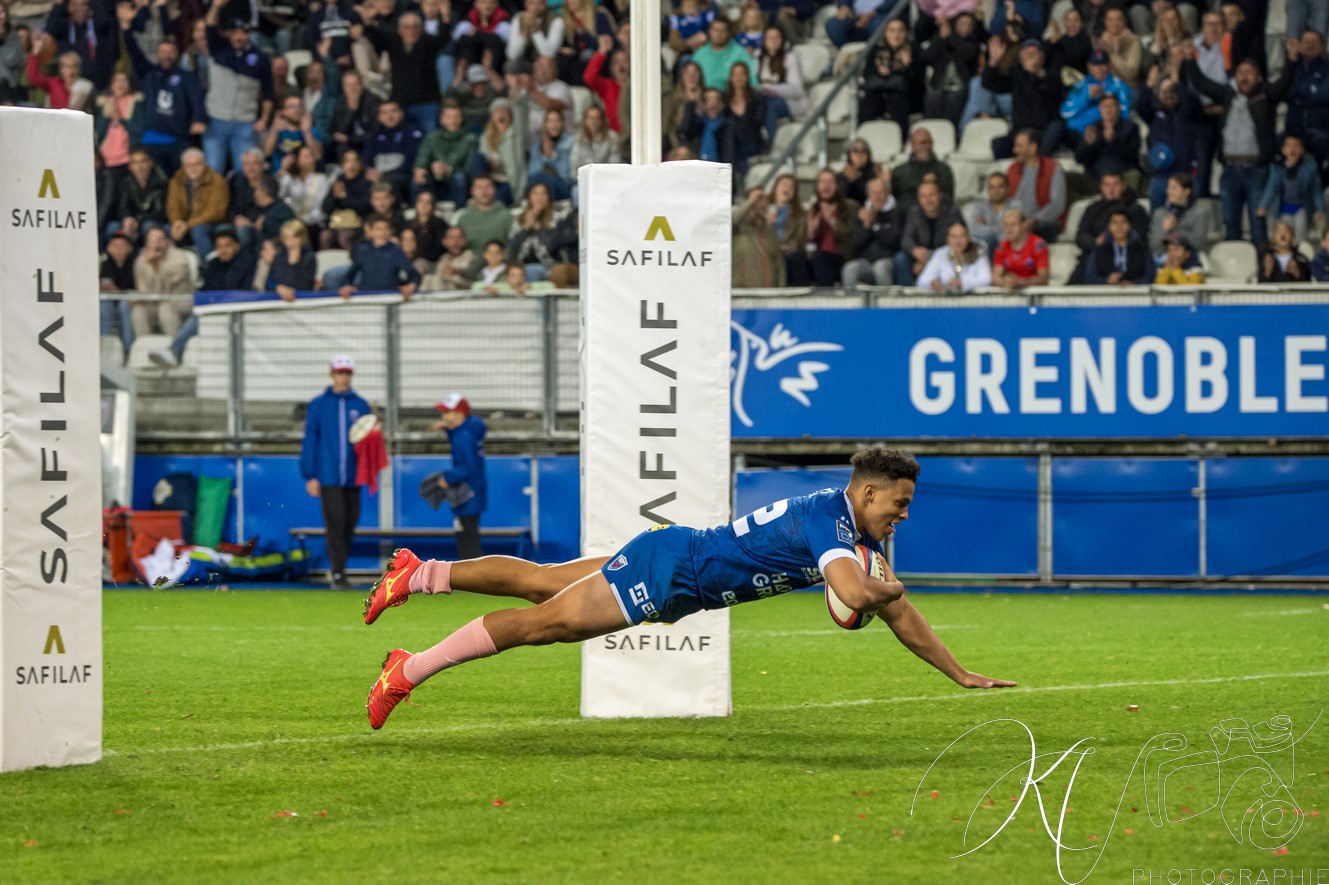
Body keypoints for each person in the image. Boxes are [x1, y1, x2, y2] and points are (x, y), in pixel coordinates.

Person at [360, 447, 1018, 729]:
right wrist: (881, 590)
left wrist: (956, 671)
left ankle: (416, 573)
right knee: (543, 624)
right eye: (897, 504)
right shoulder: (833, 521)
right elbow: (852, 587)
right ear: (867, 491)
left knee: (539, 585)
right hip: (670, 572)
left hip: (677, 565)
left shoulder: (852, 531)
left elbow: (889, 606)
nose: (902, 515)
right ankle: (405, 671)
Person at [302, 355, 374, 589]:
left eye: (347, 373)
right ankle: (337, 573)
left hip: (353, 476)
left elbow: (367, 441)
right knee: (335, 523)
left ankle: (339, 570)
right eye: (340, 373)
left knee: (350, 524)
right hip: (329, 476)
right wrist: (311, 474)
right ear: (332, 374)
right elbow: (310, 440)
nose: (344, 377)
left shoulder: (361, 405)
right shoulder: (319, 404)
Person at [202, 3, 275, 175]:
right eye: (234, 32)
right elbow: (209, 27)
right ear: (229, 33)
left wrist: (263, 119)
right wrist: (215, 7)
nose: (238, 37)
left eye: (243, 33)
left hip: (245, 122)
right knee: (214, 169)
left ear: (249, 34)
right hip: (216, 119)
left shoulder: (260, 58)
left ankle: (242, 202)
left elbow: (268, 92)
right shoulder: (219, 48)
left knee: (245, 171)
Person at [429, 393, 488, 560]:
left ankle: (473, 580)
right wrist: (447, 427)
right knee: (471, 535)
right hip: (474, 493)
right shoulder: (468, 430)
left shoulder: (462, 436)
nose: (444, 417)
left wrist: (447, 478)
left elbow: (466, 467)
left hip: (466, 495)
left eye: (448, 413)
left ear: (460, 414)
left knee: (467, 540)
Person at [1257, 133, 1326, 246]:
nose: (1292, 149)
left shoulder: (1309, 168)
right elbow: (1271, 188)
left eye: (1296, 145)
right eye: (1289, 145)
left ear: (1302, 150)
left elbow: (1315, 190)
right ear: (1283, 149)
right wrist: (1263, 206)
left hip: (1301, 207)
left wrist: (1319, 208)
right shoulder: (1277, 167)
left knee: (1301, 235)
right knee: (1285, 233)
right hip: (1284, 208)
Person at [131, 227, 195, 340]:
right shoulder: (141, 261)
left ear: (167, 241)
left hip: (180, 300)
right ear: (147, 243)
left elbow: (166, 287)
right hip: (153, 303)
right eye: (153, 240)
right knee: (138, 311)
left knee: (165, 309)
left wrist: (155, 265)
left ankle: (174, 350)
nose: (157, 244)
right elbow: (143, 290)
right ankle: (144, 348)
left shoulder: (179, 257)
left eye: (160, 239)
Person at [896, 180, 963, 287]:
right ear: (919, 198)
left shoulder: (952, 213)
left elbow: (960, 240)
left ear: (939, 196)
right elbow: (906, 239)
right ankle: (907, 295)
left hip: (946, 256)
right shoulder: (914, 212)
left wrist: (928, 261)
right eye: (924, 196)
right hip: (921, 256)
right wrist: (914, 250)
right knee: (901, 258)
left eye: (931, 195)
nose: (928, 200)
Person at [339, 213, 421, 299]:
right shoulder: (363, 251)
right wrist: (347, 286)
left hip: (389, 300)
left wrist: (411, 286)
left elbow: (415, 275)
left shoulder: (396, 251)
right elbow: (349, 276)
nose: (383, 233)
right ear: (370, 231)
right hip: (366, 300)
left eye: (386, 229)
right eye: (378, 229)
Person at [1006, 129, 1067, 243]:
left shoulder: (1053, 168)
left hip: (1043, 222)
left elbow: (1057, 205)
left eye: (1019, 146)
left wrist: (1034, 220)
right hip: (1016, 221)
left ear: (1033, 147)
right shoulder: (1012, 169)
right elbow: (1007, 200)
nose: (1015, 150)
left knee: (1043, 227)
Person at [841, 176, 902, 288]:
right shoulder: (862, 214)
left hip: (889, 261)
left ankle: (885, 304)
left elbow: (894, 241)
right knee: (849, 269)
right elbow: (855, 244)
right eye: (874, 193)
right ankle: (851, 304)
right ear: (869, 195)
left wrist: (874, 225)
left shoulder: (897, 213)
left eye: (881, 193)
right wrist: (866, 226)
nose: (877, 197)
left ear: (888, 193)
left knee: (880, 268)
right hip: (866, 262)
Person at [414, 100, 476, 205]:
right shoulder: (432, 137)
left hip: (457, 175)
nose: (453, 120)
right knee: (418, 179)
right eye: (449, 117)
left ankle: (459, 213)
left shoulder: (470, 139)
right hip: (434, 175)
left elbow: (471, 166)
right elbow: (422, 157)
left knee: (459, 178)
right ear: (442, 119)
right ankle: (416, 215)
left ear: (461, 118)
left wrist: (449, 169)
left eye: (456, 116)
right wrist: (421, 168)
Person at [891, 126, 955, 216]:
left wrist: (934, 186)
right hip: (905, 218)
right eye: (923, 143)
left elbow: (948, 199)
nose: (927, 146)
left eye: (930, 142)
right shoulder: (899, 171)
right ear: (912, 145)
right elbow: (895, 199)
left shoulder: (943, 169)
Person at [914, 221, 991, 292]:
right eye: (954, 236)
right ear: (948, 239)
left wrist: (962, 283)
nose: (958, 241)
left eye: (962, 236)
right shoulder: (941, 254)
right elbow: (922, 281)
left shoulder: (979, 253)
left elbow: (986, 279)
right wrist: (932, 283)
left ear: (968, 238)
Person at [1085, 207, 1153, 285]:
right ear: (1109, 226)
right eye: (1115, 222)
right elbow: (1089, 277)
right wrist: (1106, 281)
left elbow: (1150, 276)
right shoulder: (1099, 250)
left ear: (1129, 225)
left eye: (1123, 222)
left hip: (1135, 294)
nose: (1119, 226)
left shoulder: (1142, 249)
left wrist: (1134, 283)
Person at [732, 186, 785, 288]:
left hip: (769, 293)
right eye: (758, 199)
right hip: (743, 295)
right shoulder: (739, 227)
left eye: (764, 199)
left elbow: (779, 265)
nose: (761, 203)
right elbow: (733, 220)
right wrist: (751, 202)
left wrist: (780, 290)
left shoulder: (770, 231)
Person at [257, 218, 319, 299]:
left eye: (294, 237)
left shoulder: (309, 257)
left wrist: (294, 264)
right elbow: (269, 282)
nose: (291, 241)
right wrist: (278, 288)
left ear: (301, 237)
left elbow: (305, 285)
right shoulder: (279, 256)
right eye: (287, 237)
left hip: (301, 300)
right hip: (276, 299)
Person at [991, 207, 1050, 289]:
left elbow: (1043, 278)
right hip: (1011, 294)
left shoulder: (1038, 245)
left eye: (1013, 224)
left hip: (1036, 295)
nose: (1009, 229)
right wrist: (1005, 283)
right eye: (1006, 225)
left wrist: (1019, 282)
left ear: (1023, 225)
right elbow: (995, 277)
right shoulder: (1001, 246)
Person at [100, 231, 137, 359]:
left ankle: (128, 349)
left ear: (129, 248)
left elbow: (134, 290)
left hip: (130, 303)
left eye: (122, 246)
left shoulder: (135, 263)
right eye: (114, 246)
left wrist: (116, 291)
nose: (118, 250)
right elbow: (105, 286)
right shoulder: (105, 263)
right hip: (111, 302)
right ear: (109, 248)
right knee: (104, 305)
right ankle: (105, 345)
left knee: (124, 305)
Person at [693, 17, 757, 90]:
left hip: (731, 97)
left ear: (729, 33)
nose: (719, 34)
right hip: (705, 97)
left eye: (723, 31)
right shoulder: (700, 54)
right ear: (710, 32)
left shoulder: (740, 53)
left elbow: (752, 79)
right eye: (715, 30)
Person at [456, 174, 513, 249]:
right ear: (472, 191)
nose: (484, 191)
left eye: (488, 187)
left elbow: (512, 246)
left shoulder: (507, 217)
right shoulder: (464, 218)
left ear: (494, 189)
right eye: (479, 187)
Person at [964, 172, 1012, 254]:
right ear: (988, 189)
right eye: (992, 187)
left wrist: (987, 226)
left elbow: (1016, 232)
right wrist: (1002, 228)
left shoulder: (1016, 206)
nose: (996, 191)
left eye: (1000, 186)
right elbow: (974, 230)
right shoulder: (979, 207)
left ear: (1008, 188)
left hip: (1010, 251)